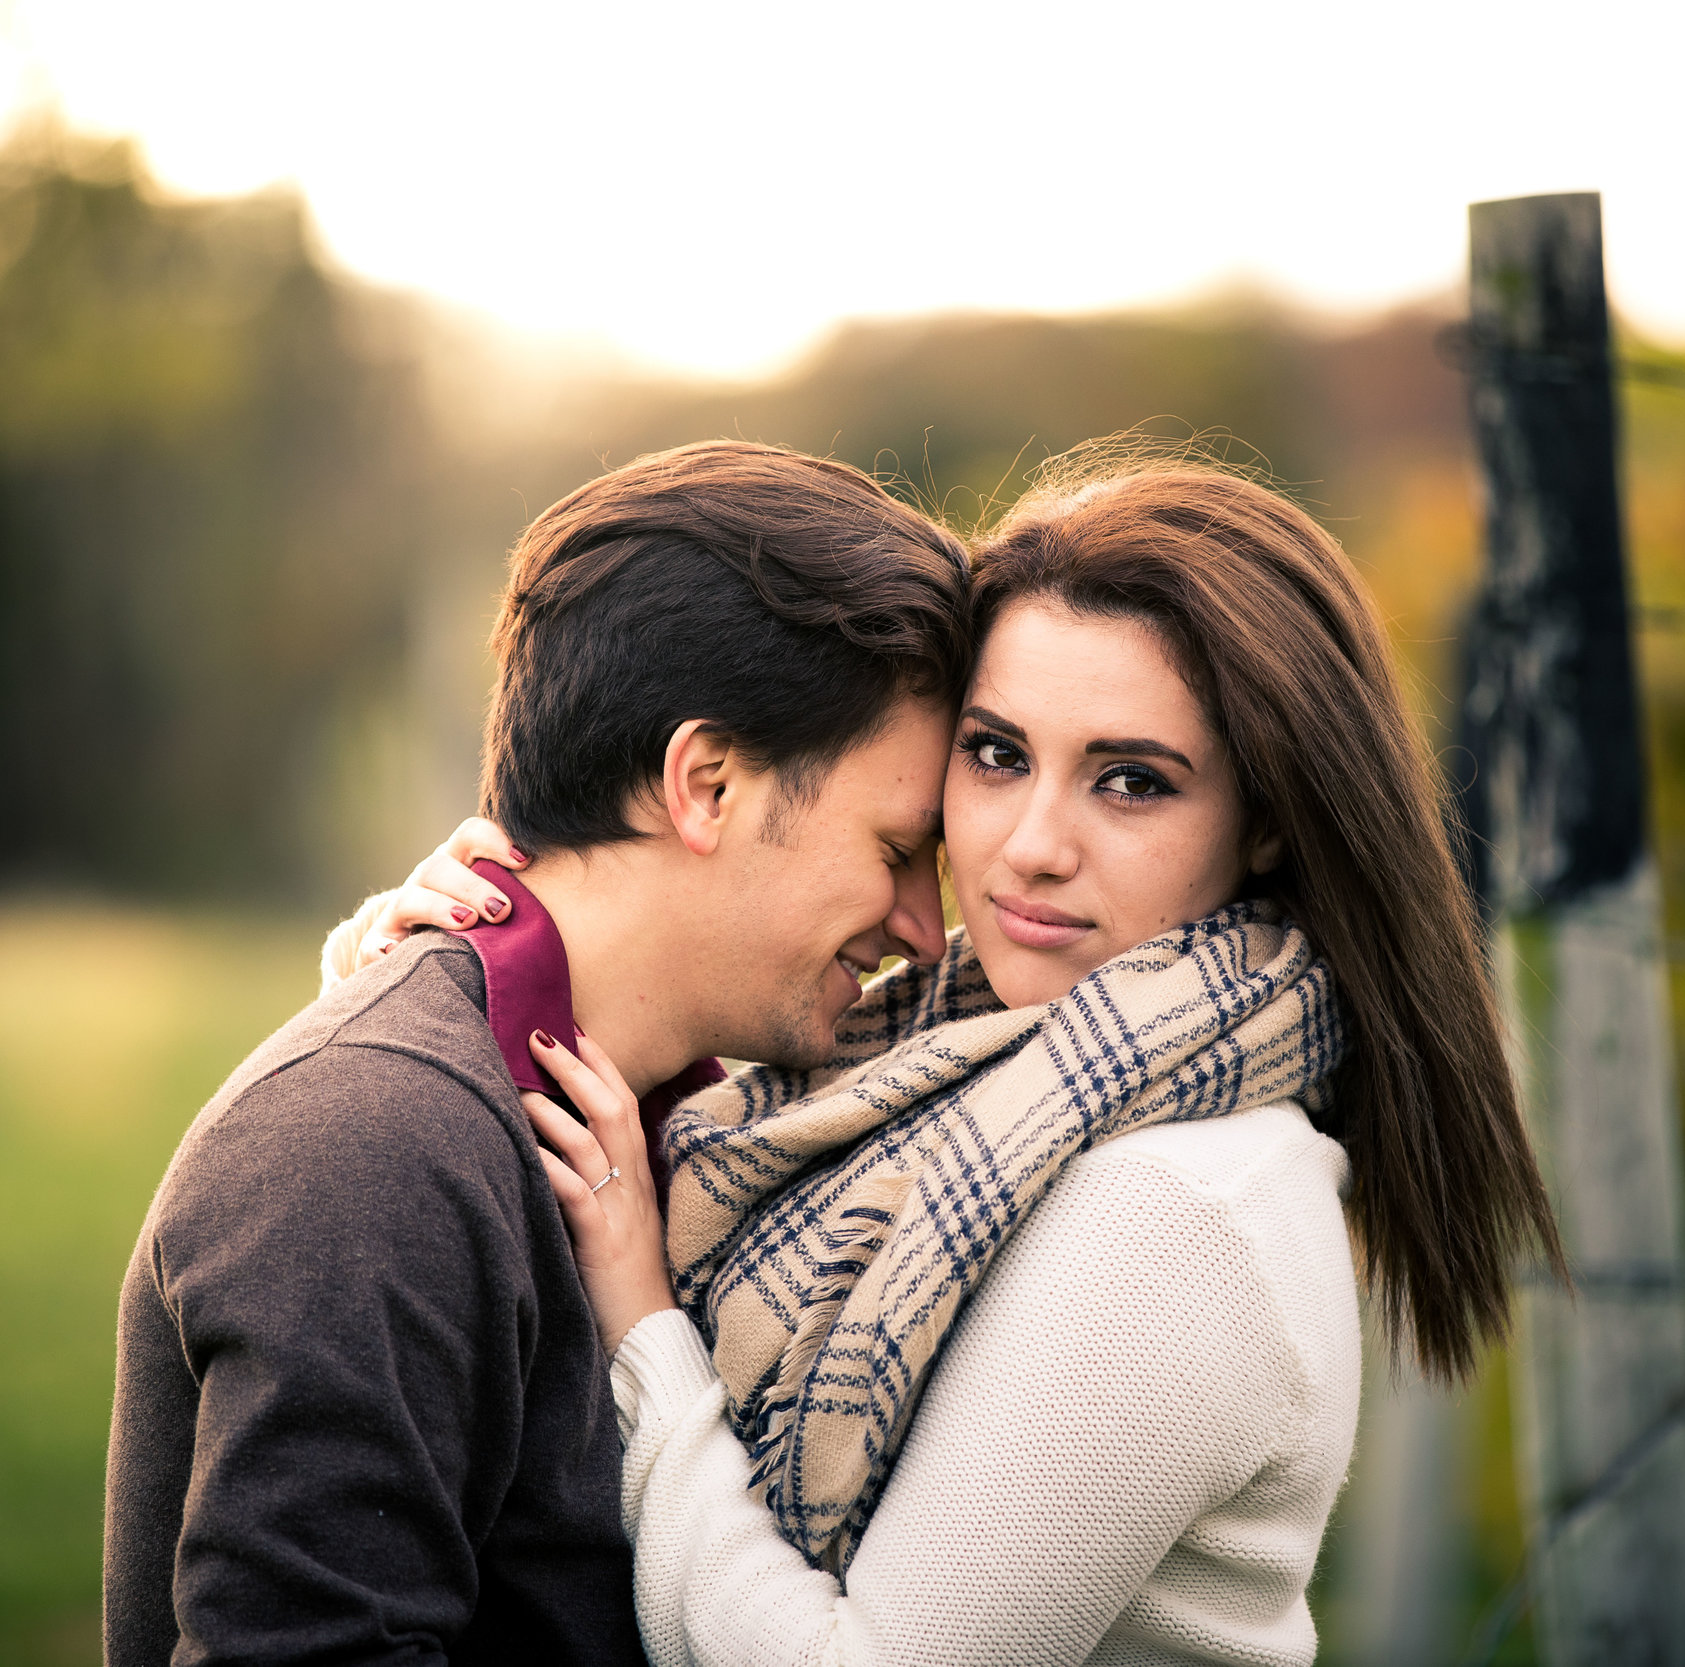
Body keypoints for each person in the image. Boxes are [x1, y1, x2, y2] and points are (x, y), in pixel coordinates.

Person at [358, 452, 1562, 1667]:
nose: (1032, 845)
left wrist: (643, 1324)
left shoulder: (1182, 1208)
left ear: (1264, 822)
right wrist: (462, 987)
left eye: (1131, 781)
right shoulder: (944, 1061)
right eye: (995, 754)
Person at [102, 439, 973, 1666]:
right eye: (895, 849)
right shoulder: (367, 1155)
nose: (925, 929)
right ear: (707, 783)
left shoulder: (721, 1124)